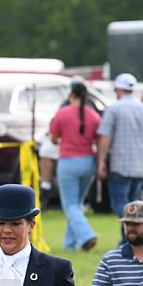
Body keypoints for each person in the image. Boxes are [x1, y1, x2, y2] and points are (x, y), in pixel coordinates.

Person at [95, 72, 143, 233]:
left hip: (120, 164)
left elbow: (104, 137)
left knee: (120, 203)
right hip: (141, 165)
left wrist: (101, 161)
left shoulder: (113, 109)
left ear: (118, 89)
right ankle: (130, 237)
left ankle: (134, 228)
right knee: (133, 202)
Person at [49, 81, 101, 252]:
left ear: (71, 94)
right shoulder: (93, 116)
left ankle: (86, 235)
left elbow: (53, 139)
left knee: (70, 205)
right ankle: (69, 244)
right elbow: (99, 139)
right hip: (88, 162)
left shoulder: (62, 114)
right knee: (76, 204)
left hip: (68, 162)